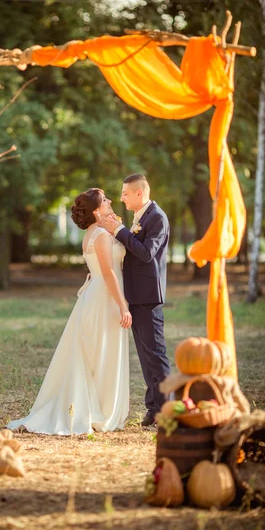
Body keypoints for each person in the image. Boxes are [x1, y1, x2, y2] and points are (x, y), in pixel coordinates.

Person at [8, 188, 131, 435]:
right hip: (104, 298)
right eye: (105, 200)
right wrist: (123, 305)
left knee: (97, 353)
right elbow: (108, 273)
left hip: (95, 295)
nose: (110, 201)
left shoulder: (94, 234)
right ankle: (99, 410)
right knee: (103, 353)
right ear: (97, 211)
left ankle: (97, 404)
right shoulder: (102, 236)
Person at [99, 174, 171, 427]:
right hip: (136, 294)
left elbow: (146, 254)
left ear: (139, 193)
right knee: (145, 355)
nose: (121, 198)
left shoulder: (157, 218)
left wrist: (118, 231)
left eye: (125, 194)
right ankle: (154, 407)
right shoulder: (142, 216)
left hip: (148, 296)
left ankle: (167, 409)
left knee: (155, 354)